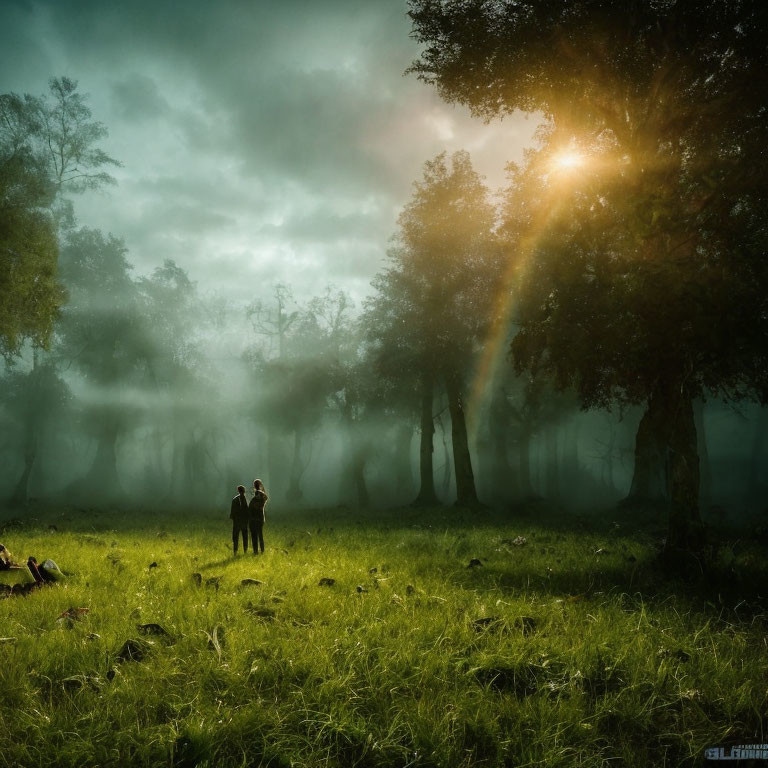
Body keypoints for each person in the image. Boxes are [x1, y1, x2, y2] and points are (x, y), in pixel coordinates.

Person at [248, 479, 268, 555]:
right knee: (260, 534)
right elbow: (266, 498)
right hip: (260, 519)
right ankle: (261, 550)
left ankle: (256, 551)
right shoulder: (261, 496)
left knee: (254, 535)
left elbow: (264, 498)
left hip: (254, 519)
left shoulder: (257, 496)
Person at [230, 485, 249, 555]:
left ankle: (235, 551)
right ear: (244, 491)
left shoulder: (235, 499)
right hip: (243, 521)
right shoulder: (246, 499)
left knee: (235, 537)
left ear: (238, 491)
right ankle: (245, 551)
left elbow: (232, 513)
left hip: (237, 522)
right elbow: (248, 511)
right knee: (245, 537)